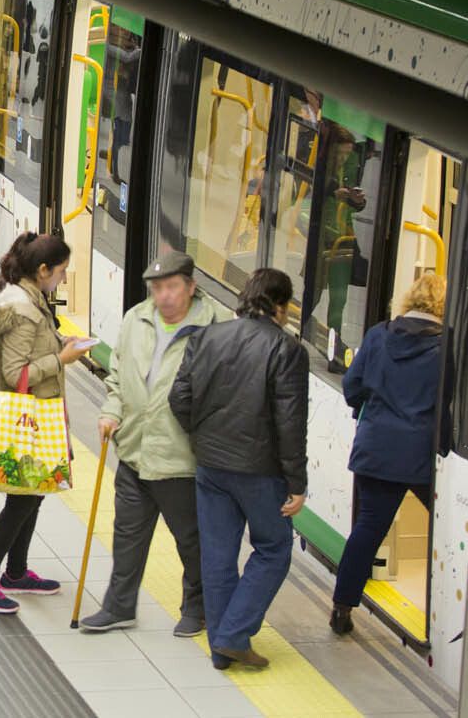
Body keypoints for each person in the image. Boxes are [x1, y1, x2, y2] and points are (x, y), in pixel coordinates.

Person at [78, 252, 230, 635]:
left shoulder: (217, 327)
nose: (163, 296)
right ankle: (119, 606)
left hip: (180, 457)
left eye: (171, 287)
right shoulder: (137, 319)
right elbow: (117, 373)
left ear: (192, 287)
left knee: (190, 540)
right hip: (133, 448)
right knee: (127, 534)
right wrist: (110, 410)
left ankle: (197, 609)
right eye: (157, 288)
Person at [170, 267, 309, 670]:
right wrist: (297, 482)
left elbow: (179, 398)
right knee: (274, 548)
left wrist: (200, 438)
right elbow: (290, 423)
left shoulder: (206, 337)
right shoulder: (287, 351)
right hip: (260, 472)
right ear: (280, 306)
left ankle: (221, 649)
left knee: (218, 554)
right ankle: (233, 635)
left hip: (211, 467)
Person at [0, 232, 91, 615]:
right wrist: (61, 359)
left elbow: (31, 347)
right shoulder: (22, 308)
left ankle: (15, 573)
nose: (64, 279)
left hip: (39, 411)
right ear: (43, 270)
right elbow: (14, 371)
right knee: (21, 501)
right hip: (27, 416)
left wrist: (59, 343)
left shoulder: (27, 299)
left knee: (32, 494)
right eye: (62, 271)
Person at [330, 273, 445, 636]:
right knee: (446, 529)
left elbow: (352, 389)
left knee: (367, 529)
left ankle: (342, 607)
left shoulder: (379, 334)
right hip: (423, 457)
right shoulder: (446, 348)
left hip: (376, 449)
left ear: (409, 299)